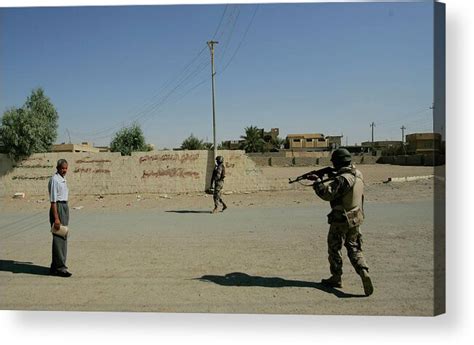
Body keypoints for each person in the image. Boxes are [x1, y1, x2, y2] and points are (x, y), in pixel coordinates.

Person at [309, 148, 373, 296]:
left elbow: (327, 194)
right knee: (355, 248)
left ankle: (336, 277)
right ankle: (363, 271)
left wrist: (318, 182)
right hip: (356, 216)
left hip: (341, 218)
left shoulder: (343, 179)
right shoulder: (358, 174)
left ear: (337, 162)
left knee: (334, 248)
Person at [48, 159, 72, 277]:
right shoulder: (55, 180)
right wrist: (56, 218)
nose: (64, 170)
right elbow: (53, 201)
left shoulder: (62, 179)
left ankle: (54, 266)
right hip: (58, 208)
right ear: (57, 168)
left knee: (62, 236)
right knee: (59, 238)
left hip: (64, 207)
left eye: (66, 168)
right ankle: (60, 268)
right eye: (62, 168)